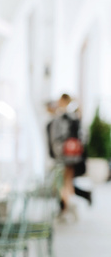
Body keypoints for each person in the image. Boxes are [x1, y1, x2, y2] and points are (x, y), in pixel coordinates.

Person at [47, 93, 83, 221]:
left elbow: (55, 139)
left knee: (61, 183)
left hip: (62, 156)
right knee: (68, 182)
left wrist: (55, 154)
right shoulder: (74, 116)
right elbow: (81, 137)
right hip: (73, 156)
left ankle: (67, 207)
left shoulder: (60, 117)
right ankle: (69, 207)